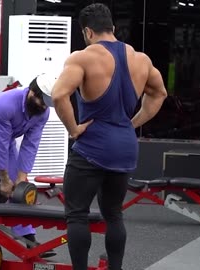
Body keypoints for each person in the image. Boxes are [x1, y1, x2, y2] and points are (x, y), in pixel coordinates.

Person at [51, 3, 168, 270]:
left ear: (88, 32)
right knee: (114, 214)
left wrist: (73, 129)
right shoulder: (141, 59)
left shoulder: (82, 57)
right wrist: (132, 123)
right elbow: (159, 93)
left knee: (77, 215)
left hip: (92, 147)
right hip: (125, 147)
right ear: (113, 28)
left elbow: (59, 94)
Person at [0, 73, 57, 258]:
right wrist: (4, 179)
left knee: (19, 189)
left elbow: (30, 145)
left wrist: (21, 177)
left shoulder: (42, 113)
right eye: (42, 101)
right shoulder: (7, 104)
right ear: (32, 93)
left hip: (6, 142)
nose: (44, 106)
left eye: (47, 102)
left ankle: (28, 238)